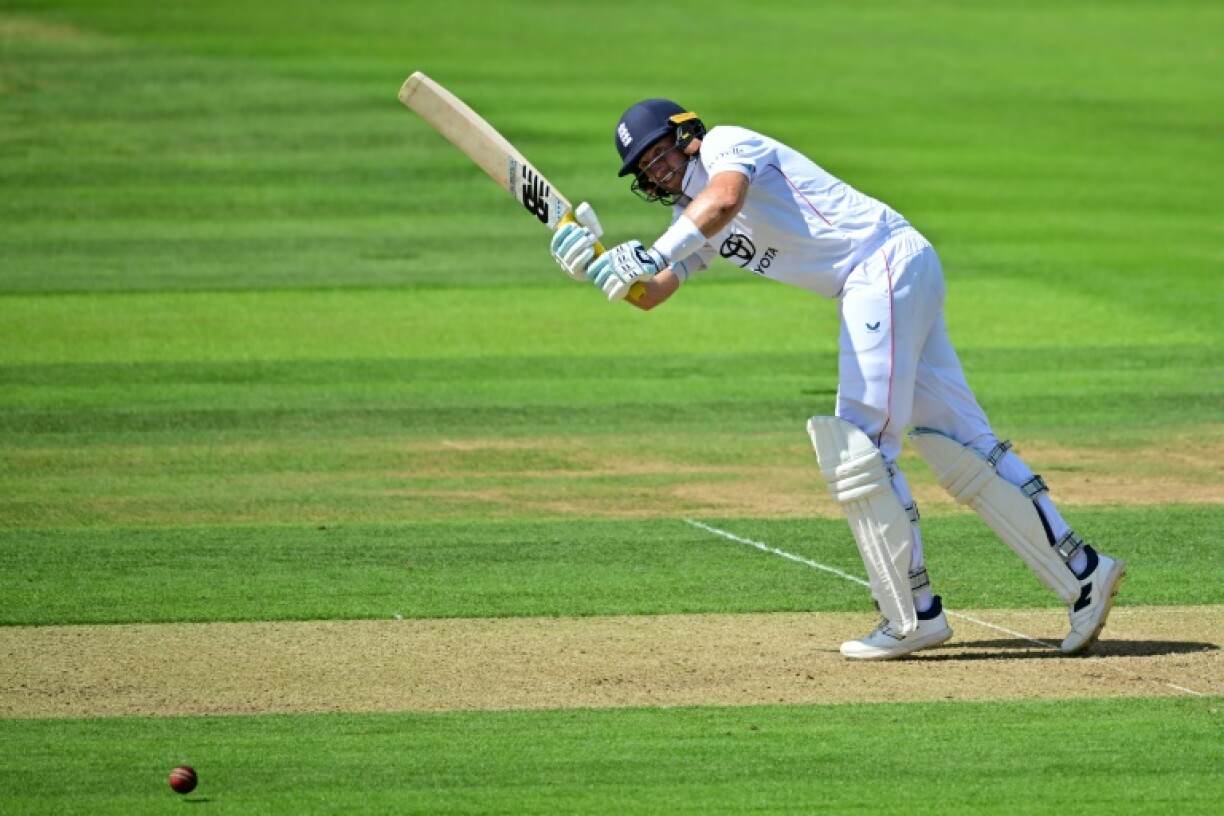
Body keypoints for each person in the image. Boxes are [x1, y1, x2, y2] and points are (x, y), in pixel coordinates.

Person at [548, 98, 1128, 660]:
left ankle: (913, 616)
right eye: (645, 169)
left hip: (877, 266)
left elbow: (724, 200)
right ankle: (1084, 574)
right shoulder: (686, 219)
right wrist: (601, 266)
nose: (657, 171)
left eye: (659, 155)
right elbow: (655, 292)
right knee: (959, 439)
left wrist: (649, 254)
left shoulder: (727, 145)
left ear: (685, 134)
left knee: (860, 447)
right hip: (894, 269)